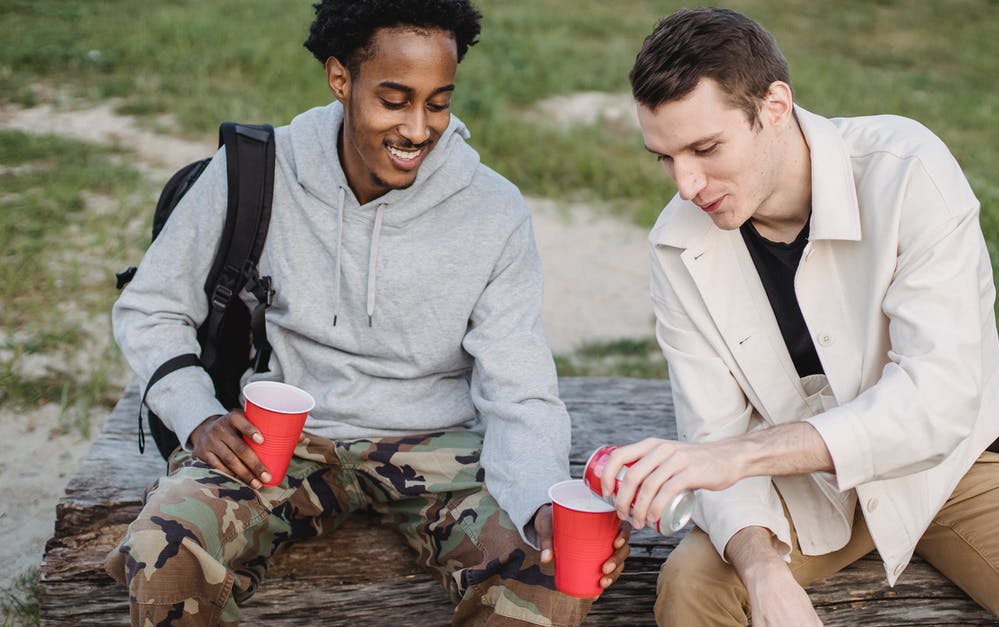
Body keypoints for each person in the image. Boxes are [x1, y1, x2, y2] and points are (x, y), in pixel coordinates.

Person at [599, 7, 999, 626]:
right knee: (692, 587)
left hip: (955, 464)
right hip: (799, 480)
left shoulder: (907, 171)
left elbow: (938, 399)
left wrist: (738, 457)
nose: (686, 184)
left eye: (706, 149)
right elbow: (715, 433)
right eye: (664, 157)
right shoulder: (675, 242)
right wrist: (764, 571)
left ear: (774, 106)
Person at [105, 1, 628, 624]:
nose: (417, 129)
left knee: (552, 576)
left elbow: (520, 388)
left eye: (438, 102)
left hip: (440, 447)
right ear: (340, 79)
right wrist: (197, 417)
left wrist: (542, 504)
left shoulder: (493, 210)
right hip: (282, 441)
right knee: (162, 547)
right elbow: (151, 307)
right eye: (394, 98)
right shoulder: (255, 171)